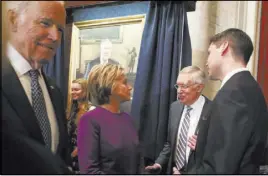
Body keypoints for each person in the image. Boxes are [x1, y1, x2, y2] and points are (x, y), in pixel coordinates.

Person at [188, 28, 268, 174]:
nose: (206, 61)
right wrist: (204, 144)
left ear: (224, 47)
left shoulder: (233, 94)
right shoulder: (248, 87)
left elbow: (219, 168)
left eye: (210, 53)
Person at [2, 1, 71, 166]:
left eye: (60, 29)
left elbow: (61, 155)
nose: (55, 36)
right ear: (13, 20)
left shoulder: (55, 91)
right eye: (45, 23)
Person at [77, 64, 143, 174]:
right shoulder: (89, 120)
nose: (130, 87)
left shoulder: (128, 119)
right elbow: (89, 170)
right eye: (124, 82)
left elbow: (136, 163)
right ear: (108, 85)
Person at [144, 66, 211, 174]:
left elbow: (217, 152)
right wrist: (158, 164)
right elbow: (171, 144)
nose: (179, 91)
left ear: (199, 87)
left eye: (184, 86)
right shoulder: (175, 107)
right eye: (177, 86)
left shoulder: (212, 111)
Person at [67, 78, 95, 173]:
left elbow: (89, 139)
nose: (73, 92)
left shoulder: (91, 110)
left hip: (81, 158)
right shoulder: (71, 109)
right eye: (72, 89)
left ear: (85, 91)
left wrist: (72, 155)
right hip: (69, 155)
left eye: (76, 89)